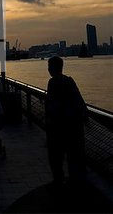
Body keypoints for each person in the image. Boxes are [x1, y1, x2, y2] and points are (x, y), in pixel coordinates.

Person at [46, 56, 88, 188]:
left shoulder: (52, 83)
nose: (48, 69)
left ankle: (59, 180)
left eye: (49, 67)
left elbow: (51, 104)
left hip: (58, 125)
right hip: (73, 124)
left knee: (56, 156)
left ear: (53, 68)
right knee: (73, 155)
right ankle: (75, 181)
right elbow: (79, 100)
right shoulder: (70, 81)